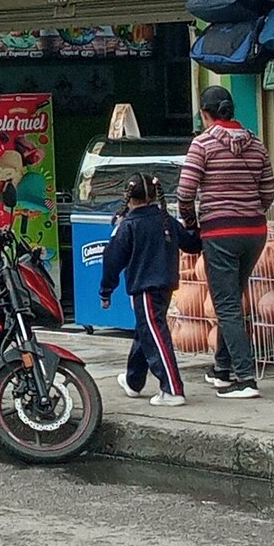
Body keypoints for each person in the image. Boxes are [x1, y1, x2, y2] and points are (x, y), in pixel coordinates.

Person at [177, 86, 274, 400]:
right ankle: (221, 368)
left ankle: (245, 378)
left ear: (205, 114)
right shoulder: (256, 144)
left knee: (227, 305)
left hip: (220, 233)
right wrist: (249, 209)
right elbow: (269, 192)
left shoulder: (202, 144)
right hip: (255, 234)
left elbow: (185, 193)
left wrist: (192, 224)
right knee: (233, 296)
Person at [100, 173, 202, 407]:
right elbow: (192, 244)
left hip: (144, 288)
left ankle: (172, 389)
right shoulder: (166, 220)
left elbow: (112, 260)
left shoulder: (129, 225)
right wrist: (195, 225)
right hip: (166, 285)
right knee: (146, 330)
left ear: (129, 198)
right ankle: (133, 381)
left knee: (154, 333)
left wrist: (106, 291)